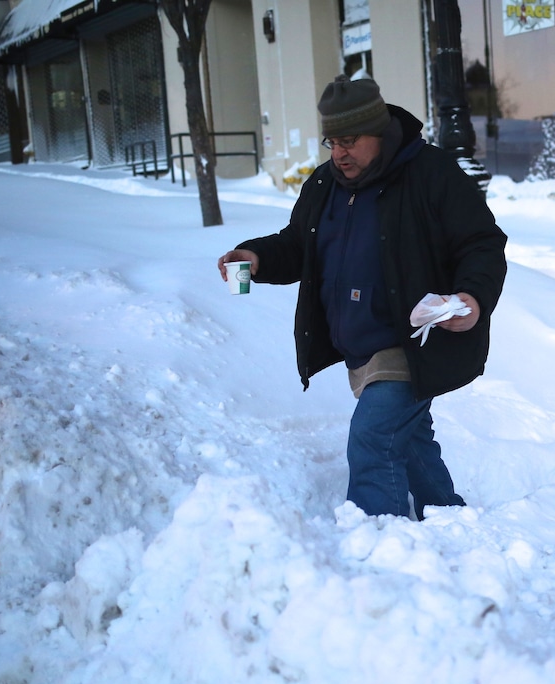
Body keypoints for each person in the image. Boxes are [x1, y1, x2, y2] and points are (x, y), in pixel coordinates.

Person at [217, 75, 507, 520]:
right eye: (332, 142)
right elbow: (299, 244)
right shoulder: (324, 185)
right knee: (409, 440)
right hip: (361, 346)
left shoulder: (431, 173)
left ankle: (377, 537)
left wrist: (472, 297)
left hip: (413, 341)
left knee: (373, 439)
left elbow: (481, 243)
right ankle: (450, 520)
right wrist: (257, 256)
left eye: (350, 141)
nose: (339, 153)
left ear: (380, 132)